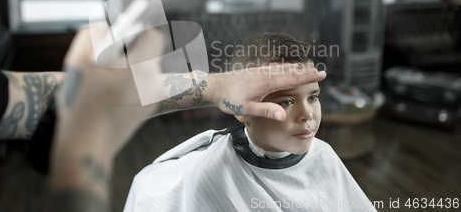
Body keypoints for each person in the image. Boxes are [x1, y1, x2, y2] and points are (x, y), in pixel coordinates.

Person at [0, 25, 327, 212]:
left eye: (313, 97)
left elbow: (22, 96)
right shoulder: (187, 178)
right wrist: (85, 146)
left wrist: (214, 86)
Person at [124, 33, 376, 212]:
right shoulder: (208, 175)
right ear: (242, 110)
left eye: (313, 97)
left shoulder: (324, 156)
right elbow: (113, 98)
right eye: (286, 101)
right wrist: (212, 87)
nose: (307, 113)